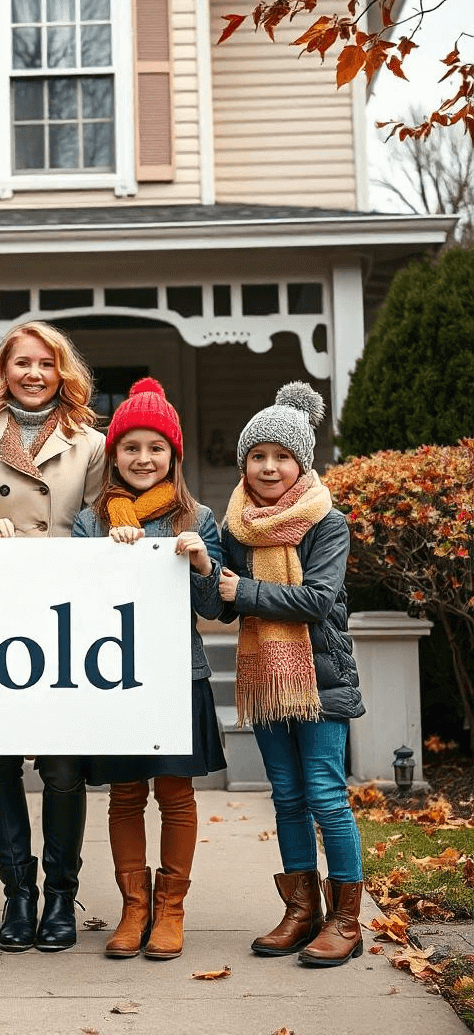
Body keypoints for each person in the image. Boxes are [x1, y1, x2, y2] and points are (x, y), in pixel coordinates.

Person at [0, 321, 106, 953]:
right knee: (3, 760)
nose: (33, 375)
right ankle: (18, 894)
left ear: (63, 372)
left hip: (67, 615)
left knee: (63, 767)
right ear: (2, 372)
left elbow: (100, 516)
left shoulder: (89, 442)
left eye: (46, 364)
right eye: (21, 364)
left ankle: (61, 895)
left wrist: (63, 550)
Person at [71, 378, 226, 960]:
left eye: (155, 448)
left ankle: (170, 910)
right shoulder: (91, 521)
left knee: (176, 793)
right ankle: (132, 907)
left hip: (177, 675)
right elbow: (79, 604)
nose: (143, 459)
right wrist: (111, 552)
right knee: (125, 794)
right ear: (114, 455)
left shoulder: (198, 517)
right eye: (131, 448)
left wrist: (202, 559)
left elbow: (215, 609)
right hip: (115, 677)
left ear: (173, 455)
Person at [218, 382, 365, 968]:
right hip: (266, 677)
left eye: (282, 456)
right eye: (258, 456)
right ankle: (301, 910)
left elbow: (320, 599)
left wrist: (244, 589)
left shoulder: (327, 523)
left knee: (327, 795)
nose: (269, 467)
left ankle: (347, 920)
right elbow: (220, 606)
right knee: (286, 796)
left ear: (301, 464)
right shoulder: (235, 526)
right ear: (244, 463)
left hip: (320, 676)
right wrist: (207, 567)